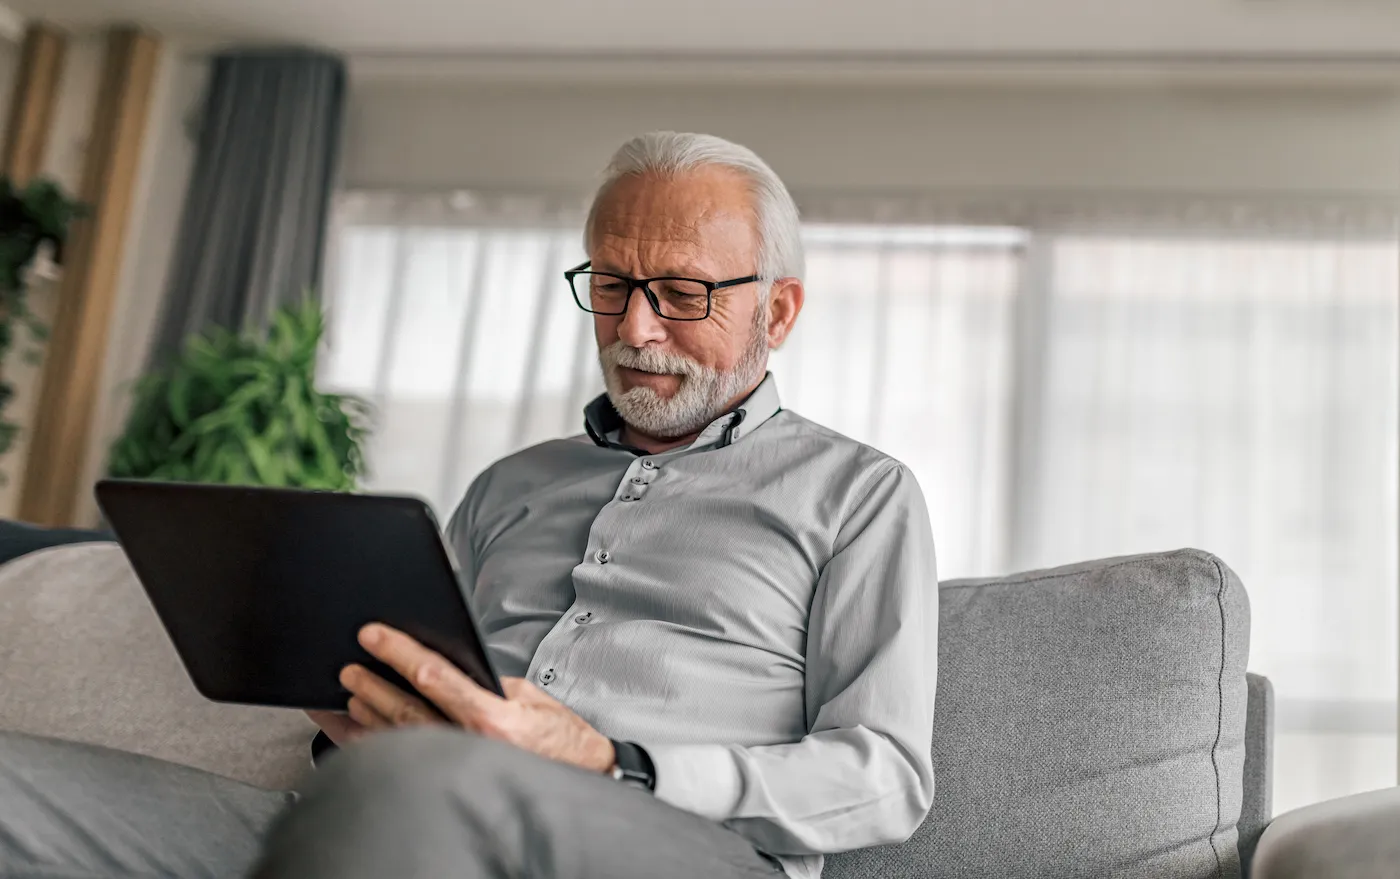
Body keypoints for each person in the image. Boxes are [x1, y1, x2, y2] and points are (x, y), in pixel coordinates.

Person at [0, 131, 937, 879]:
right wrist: (363, 722)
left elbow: (886, 780)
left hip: (672, 841)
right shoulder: (509, 486)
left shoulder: (860, 494)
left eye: (682, 292)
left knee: (419, 792)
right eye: (610, 285)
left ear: (776, 312)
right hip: (391, 812)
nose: (635, 328)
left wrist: (614, 760)